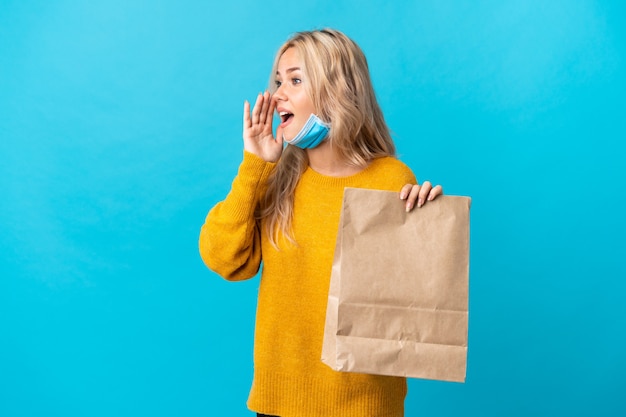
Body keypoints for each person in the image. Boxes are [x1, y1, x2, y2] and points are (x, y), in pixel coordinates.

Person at [199, 28, 443, 417]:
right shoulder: (276, 180)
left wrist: (426, 225)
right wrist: (254, 167)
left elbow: (411, 303)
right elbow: (224, 259)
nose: (277, 93)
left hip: (366, 405)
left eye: (295, 80)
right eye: (278, 81)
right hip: (279, 403)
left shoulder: (392, 180)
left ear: (339, 91)